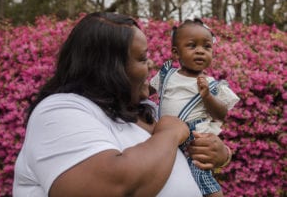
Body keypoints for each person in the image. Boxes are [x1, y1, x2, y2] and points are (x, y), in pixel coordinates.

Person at [13, 12, 232, 197]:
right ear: (110, 68)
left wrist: (221, 154)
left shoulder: (147, 110)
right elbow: (114, 186)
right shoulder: (59, 112)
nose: (150, 64)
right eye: (141, 58)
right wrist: (170, 133)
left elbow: (189, 152)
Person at [150, 18, 240, 197]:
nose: (200, 51)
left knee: (201, 178)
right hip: (165, 136)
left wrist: (207, 97)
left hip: (194, 141)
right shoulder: (166, 75)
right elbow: (145, 92)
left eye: (207, 47)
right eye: (192, 46)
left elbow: (221, 114)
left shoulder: (214, 85)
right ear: (176, 53)